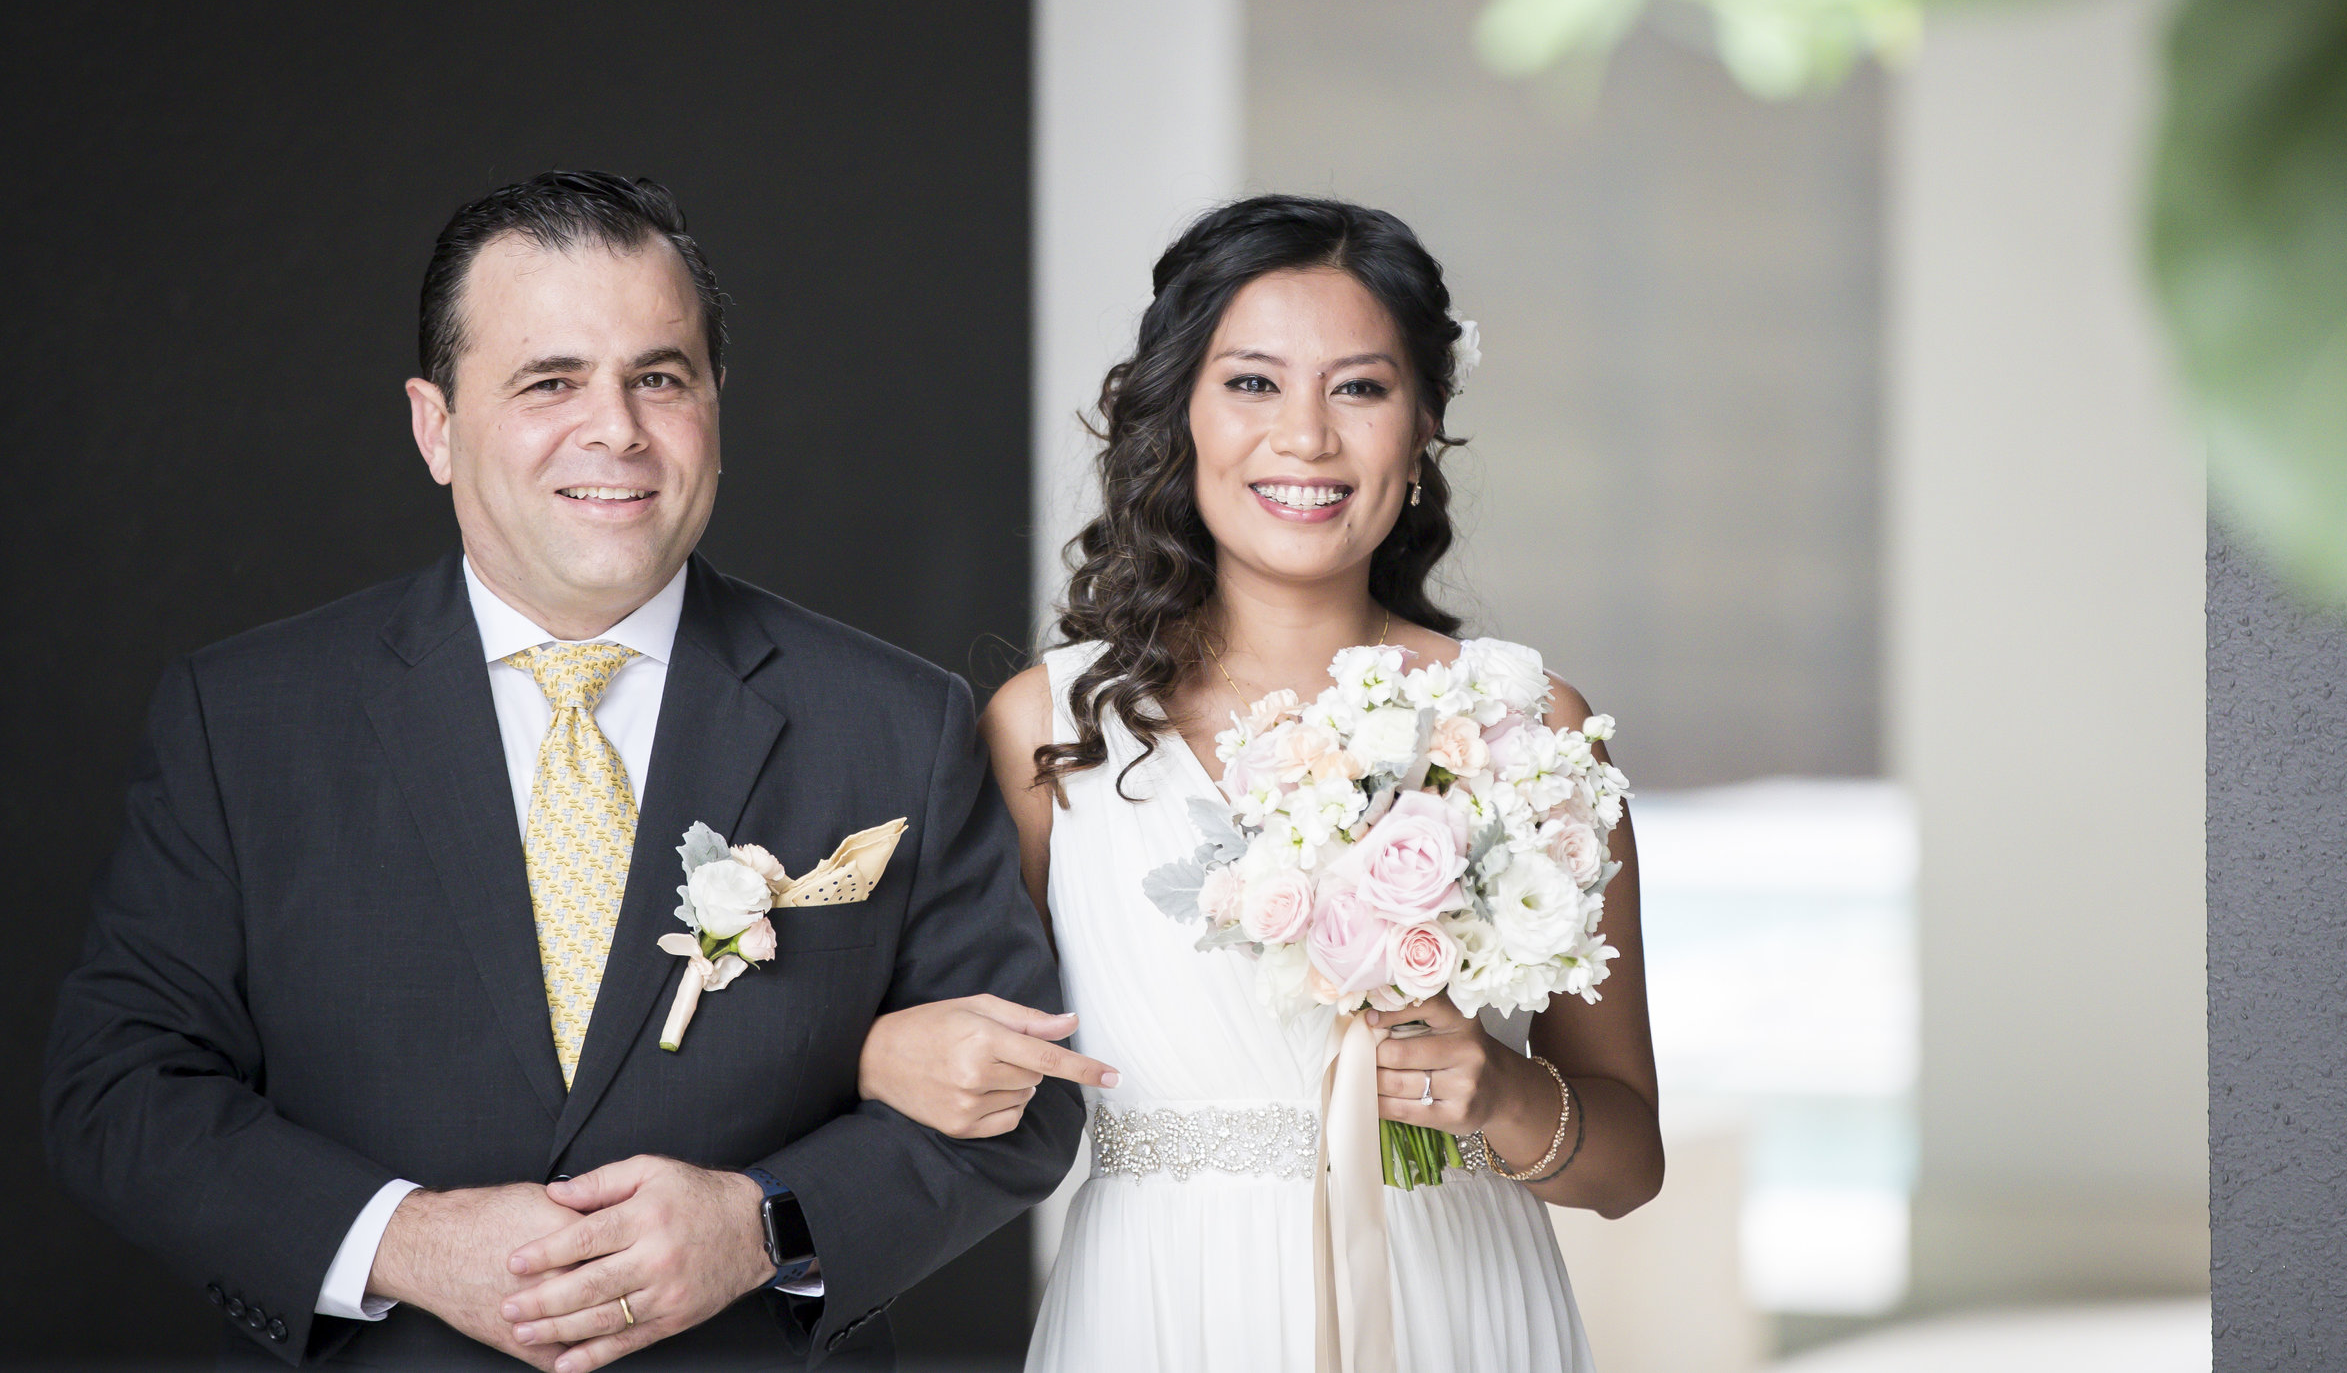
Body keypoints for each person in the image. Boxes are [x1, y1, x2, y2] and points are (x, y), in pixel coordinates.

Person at [42, 171, 1090, 1371]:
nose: (618, 429)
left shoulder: (893, 719)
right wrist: (403, 1239)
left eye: (660, 376)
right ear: (435, 426)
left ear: (713, 402)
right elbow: (117, 1087)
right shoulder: (244, 718)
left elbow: (1029, 1094)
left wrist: (766, 1224)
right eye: (550, 381)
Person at [865, 195, 1664, 1372]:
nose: (1305, 437)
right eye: (1250, 383)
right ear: (1177, 414)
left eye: (1359, 387)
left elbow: (1628, 1160)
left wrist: (1498, 1091)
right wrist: (877, 1050)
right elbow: (928, 1042)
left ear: (1425, 419)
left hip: (1458, 1310)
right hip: (1161, 1311)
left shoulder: (1530, 724)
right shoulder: (1051, 731)